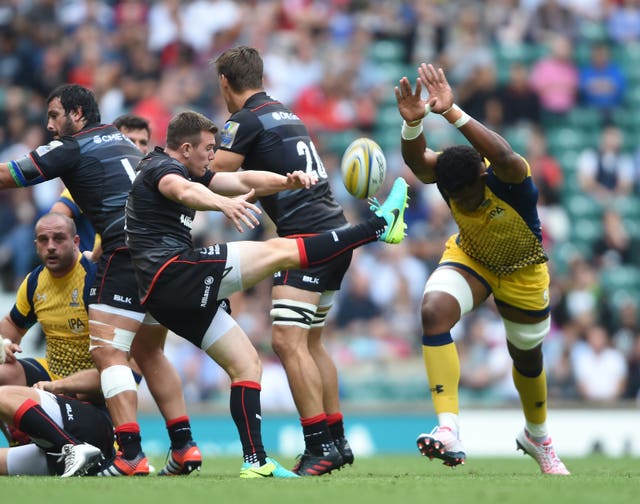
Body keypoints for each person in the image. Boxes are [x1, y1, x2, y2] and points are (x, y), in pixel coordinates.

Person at [124, 110, 408, 476]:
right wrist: (221, 203)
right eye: (208, 149)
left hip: (168, 296)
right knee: (282, 250)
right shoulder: (162, 168)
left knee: (246, 365)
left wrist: (286, 183)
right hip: (174, 273)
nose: (214, 155)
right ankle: (379, 226)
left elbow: (240, 178)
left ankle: (254, 462)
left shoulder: (190, 169)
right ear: (184, 148)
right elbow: (181, 191)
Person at [0, 84, 198, 477]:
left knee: (113, 353)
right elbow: (63, 209)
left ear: (76, 114)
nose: (50, 126)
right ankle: (183, 445)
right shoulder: (121, 146)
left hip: (128, 257)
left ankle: (125, 451)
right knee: (150, 352)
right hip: (166, 251)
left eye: (55, 116)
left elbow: (12, 174)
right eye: (45, 239)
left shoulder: (74, 148)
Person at [394, 63, 569, 475]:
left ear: (482, 175)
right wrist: (413, 127)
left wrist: (453, 113)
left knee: (526, 358)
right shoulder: (451, 177)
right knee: (433, 311)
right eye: (458, 198)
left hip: (523, 272)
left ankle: (537, 437)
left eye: (470, 195)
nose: (465, 203)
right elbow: (419, 163)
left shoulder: (509, 177)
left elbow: (505, 153)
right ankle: (448, 429)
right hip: (472, 257)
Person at [211, 45, 355, 475]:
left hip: (305, 238)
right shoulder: (286, 112)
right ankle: (337, 439)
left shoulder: (245, 120)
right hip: (334, 229)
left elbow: (214, 174)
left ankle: (319, 445)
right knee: (311, 342)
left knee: (287, 342)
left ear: (224, 83)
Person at [50, 113, 152, 254]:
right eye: (130, 140)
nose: (137, 147)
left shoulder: (149, 182)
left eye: (143, 142)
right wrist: (76, 259)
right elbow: (57, 216)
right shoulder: (97, 179)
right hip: (98, 268)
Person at [0, 383, 111, 477]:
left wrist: (57, 384)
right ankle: (73, 449)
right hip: (61, 457)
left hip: (87, 424)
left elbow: (105, 375)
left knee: (2, 394)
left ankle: (72, 445)